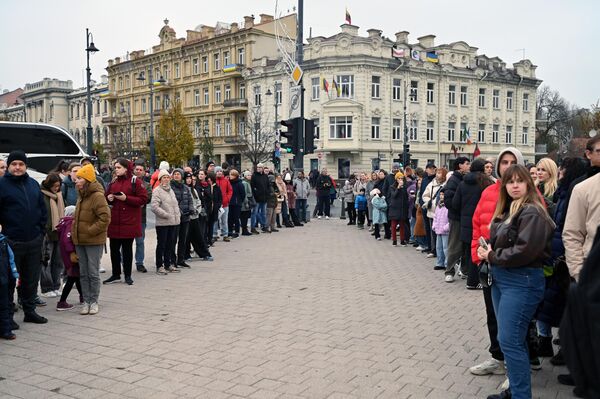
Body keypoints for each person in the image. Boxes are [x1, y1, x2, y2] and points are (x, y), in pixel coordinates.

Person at [477, 164, 554, 399]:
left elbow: (524, 251)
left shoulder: (532, 211)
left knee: (510, 340)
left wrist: (491, 255)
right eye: (511, 181)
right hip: (504, 278)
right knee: (509, 338)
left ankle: (521, 395)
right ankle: (517, 390)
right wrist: (489, 249)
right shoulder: (510, 208)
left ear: (528, 184)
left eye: (520, 181)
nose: (515, 185)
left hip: (522, 280)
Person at [469, 147, 540, 381]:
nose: (507, 167)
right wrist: (477, 257)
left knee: (517, 322)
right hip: (489, 264)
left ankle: (517, 366)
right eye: (503, 162)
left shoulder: (530, 197)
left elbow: (530, 240)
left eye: (512, 162)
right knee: (493, 316)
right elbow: (477, 224)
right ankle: (498, 359)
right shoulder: (489, 191)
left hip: (516, 271)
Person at [0, 150, 48, 324]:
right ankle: (7, 317)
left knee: (31, 279)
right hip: (11, 242)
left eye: (21, 164)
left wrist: (41, 232)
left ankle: (30, 311)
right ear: (9, 166)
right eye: (14, 164)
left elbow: (42, 210)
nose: (17, 167)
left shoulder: (33, 184)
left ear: (26, 166)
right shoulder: (2, 185)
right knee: (9, 281)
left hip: (33, 241)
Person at [72, 163, 111, 315]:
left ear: (87, 180)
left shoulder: (97, 196)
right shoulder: (81, 195)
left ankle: (94, 301)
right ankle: (86, 300)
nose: (76, 180)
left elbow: (105, 218)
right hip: (80, 240)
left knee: (93, 272)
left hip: (93, 241)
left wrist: (90, 230)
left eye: (79, 178)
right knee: (83, 272)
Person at [103, 159, 148, 286]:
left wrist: (126, 198)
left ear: (126, 168)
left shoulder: (135, 182)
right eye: (115, 167)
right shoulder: (114, 182)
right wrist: (109, 198)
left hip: (129, 221)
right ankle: (116, 274)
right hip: (115, 221)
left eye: (118, 167)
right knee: (114, 249)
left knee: (127, 249)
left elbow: (143, 199)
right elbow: (106, 197)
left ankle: (127, 275)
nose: (116, 169)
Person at [452, 158, 494, 287]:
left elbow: (455, 203)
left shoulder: (463, 183)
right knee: (481, 251)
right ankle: (478, 280)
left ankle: (469, 279)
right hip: (482, 221)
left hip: (466, 222)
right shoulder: (486, 182)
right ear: (482, 168)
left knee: (469, 251)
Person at [443, 157, 470, 280]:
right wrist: (460, 206)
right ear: (460, 166)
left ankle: (464, 270)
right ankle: (449, 271)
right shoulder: (453, 180)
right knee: (454, 245)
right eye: (467, 164)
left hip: (465, 217)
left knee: (465, 245)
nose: (469, 166)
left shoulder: (465, 179)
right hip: (456, 217)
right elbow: (449, 201)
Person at [39, 173, 66, 298]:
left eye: (58, 186)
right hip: (47, 233)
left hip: (59, 232)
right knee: (46, 261)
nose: (57, 188)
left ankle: (55, 286)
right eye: (55, 186)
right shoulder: (42, 195)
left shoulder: (59, 196)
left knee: (58, 261)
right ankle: (46, 287)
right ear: (49, 184)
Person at [151, 170, 181, 275]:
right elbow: (154, 207)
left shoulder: (171, 190)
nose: (166, 179)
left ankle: (168, 264)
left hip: (173, 222)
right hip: (163, 223)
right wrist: (166, 215)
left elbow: (175, 205)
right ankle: (159, 265)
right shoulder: (157, 191)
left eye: (168, 177)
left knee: (170, 244)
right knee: (161, 245)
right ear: (160, 179)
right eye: (164, 177)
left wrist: (177, 215)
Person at [55, 206, 82, 310]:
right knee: (72, 278)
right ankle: (62, 302)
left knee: (76, 277)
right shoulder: (70, 223)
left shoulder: (63, 223)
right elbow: (67, 240)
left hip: (66, 256)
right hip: (71, 256)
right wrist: (72, 252)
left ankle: (82, 296)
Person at [186, 172, 213, 262]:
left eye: (192, 179)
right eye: (188, 178)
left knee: (199, 236)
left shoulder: (194, 190)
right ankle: (186, 255)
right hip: (186, 217)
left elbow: (198, 201)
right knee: (186, 237)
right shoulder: (184, 189)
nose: (190, 180)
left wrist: (197, 210)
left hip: (195, 216)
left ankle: (204, 253)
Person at [422, 167, 447, 258]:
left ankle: (440, 253)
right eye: (437, 173)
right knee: (433, 232)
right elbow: (425, 195)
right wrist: (430, 202)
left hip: (442, 212)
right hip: (432, 211)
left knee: (441, 234)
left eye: (440, 173)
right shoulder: (431, 184)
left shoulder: (446, 184)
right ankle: (434, 250)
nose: (437, 175)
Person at [170, 169, 193, 266]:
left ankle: (181, 259)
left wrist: (191, 209)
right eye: (175, 174)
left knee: (183, 240)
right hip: (175, 217)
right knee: (173, 240)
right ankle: (172, 260)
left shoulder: (186, 188)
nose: (176, 176)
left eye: (178, 174)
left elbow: (190, 200)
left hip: (185, 217)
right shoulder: (170, 187)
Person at [0, 229, 19, 339]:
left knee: (4, 306)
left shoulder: (4, 242)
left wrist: (15, 274)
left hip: (3, 280)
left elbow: (11, 260)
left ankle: (6, 330)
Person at [134, 163, 152, 273]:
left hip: (141, 217)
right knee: (126, 241)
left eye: (141, 169)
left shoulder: (147, 185)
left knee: (140, 241)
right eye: (137, 169)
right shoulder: (128, 182)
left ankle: (139, 262)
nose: (139, 171)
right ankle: (122, 261)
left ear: (144, 172)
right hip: (129, 217)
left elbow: (148, 197)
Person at [418, 163, 437, 252]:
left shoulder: (435, 180)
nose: (432, 170)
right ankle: (429, 246)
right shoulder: (424, 180)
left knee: (432, 228)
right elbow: (421, 193)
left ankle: (433, 248)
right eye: (430, 168)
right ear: (426, 169)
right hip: (424, 206)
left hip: (432, 207)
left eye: (433, 168)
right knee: (427, 228)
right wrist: (421, 204)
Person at [388, 172, 409, 246]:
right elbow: (393, 195)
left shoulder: (405, 186)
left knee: (402, 225)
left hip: (402, 208)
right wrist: (398, 188)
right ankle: (394, 240)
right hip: (394, 207)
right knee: (393, 225)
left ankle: (402, 240)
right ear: (396, 179)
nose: (400, 180)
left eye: (401, 178)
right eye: (399, 178)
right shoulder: (392, 186)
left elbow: (406, 196)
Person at [432, 191, 450, 270]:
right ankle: (440, 263)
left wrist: (445, 228)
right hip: (438, 229)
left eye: (443, 194)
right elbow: (435, 217)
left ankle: (447, 264)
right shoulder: (438, 206)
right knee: (438, 247)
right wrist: (434, 226)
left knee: (446, 248)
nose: (441, 196)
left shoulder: (448, 206)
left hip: (445, 231)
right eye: (441, 194)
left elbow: (450, 220)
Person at [214, 167, 233, 241]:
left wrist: (227, 199)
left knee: (224, 220)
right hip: (216, 204)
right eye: (217, 171)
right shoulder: (213, 181)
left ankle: (225, 234)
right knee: (215, 220)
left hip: (225, 204)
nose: (219, 172)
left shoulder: (226, 181)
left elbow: (230, 191)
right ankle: (214, 234)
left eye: (220, 171)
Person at [251, 163, 269, 234]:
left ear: (263, 168)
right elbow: (252, 186)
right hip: (257, 198)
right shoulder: (254, 176)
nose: (259, 168)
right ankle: (253, 227)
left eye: (260, 167)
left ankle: (264, 226)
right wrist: (256, 193)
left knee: (263, 213)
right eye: (258, 167)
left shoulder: (265, 176)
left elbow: (268, 185)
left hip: (264, 197)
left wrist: (267, 193)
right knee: (255, 213)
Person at [227, 169, 246, 238]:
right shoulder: (228, 182)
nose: (230, 176)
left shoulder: (239, 183)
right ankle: (229, 231)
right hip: (229, 203)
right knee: (229, 218)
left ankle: (237, 231)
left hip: (237, 203)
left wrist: (239, 201)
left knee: (236, 218)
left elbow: (243, 194)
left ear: (235, 176)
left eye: (232, 175)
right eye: (230, 174)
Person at [240, 171, 255, 235]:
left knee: (245, 217)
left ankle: (245, 229)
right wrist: (246, 202)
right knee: (244, 216)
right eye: (248, 175)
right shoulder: (245, 183)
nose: (250, 176)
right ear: (245, 176)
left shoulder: (247, 182)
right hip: (245, 202)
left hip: (246, 201)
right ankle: (244, 230)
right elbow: (245, 193)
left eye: (250, 175)